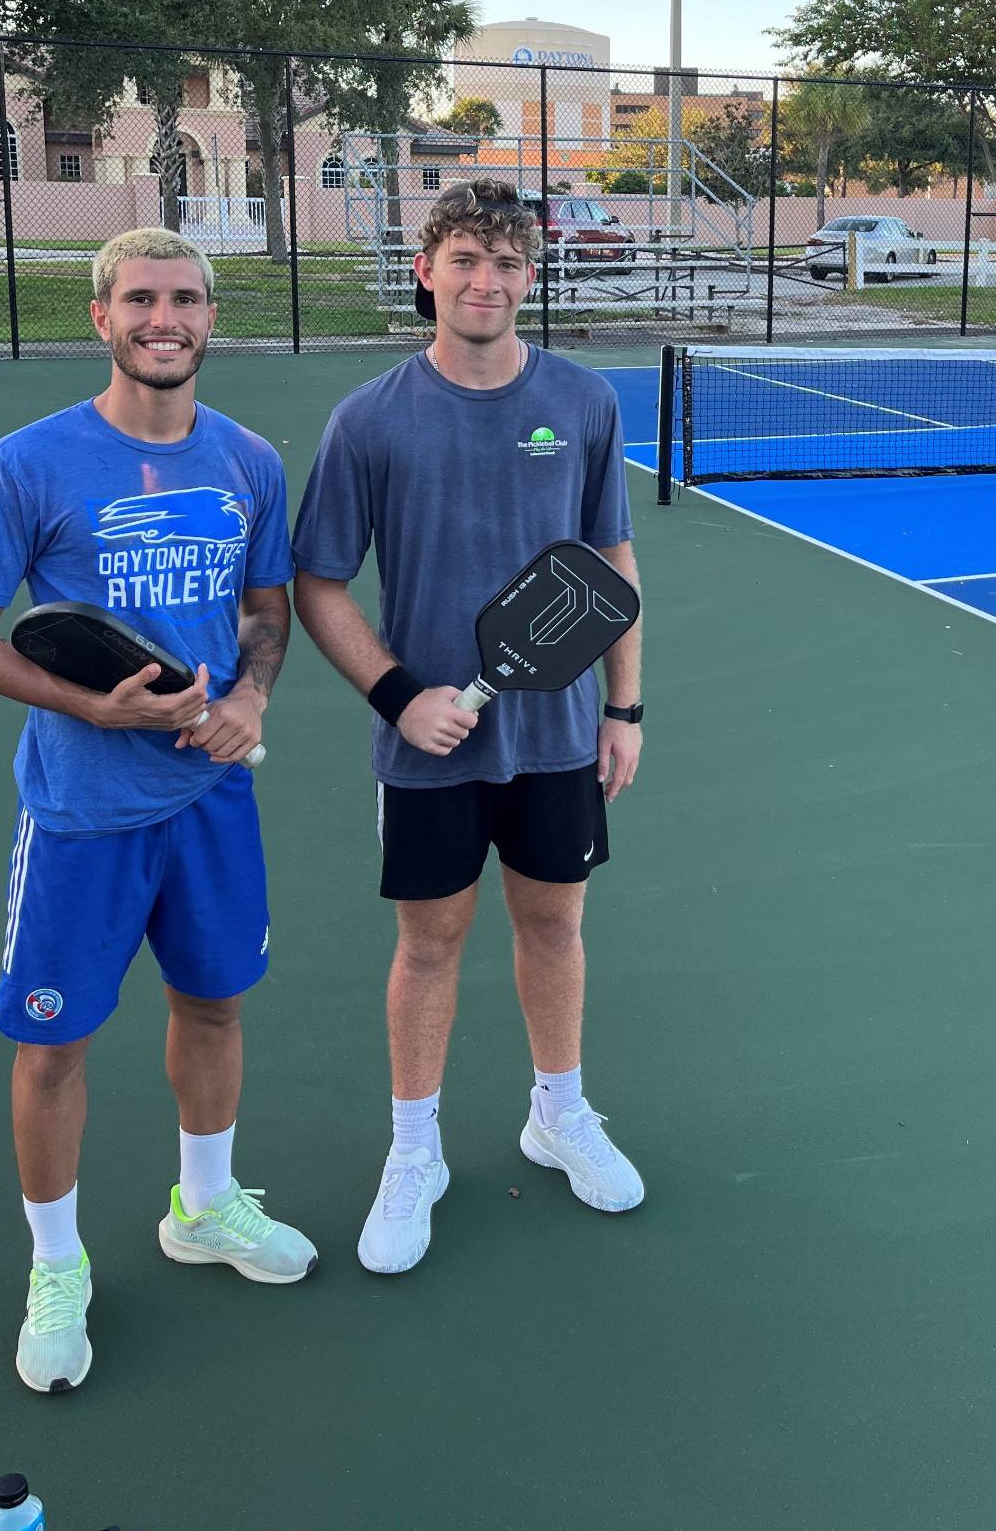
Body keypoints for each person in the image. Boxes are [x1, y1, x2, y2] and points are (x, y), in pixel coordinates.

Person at [0, 227, 315, 1395]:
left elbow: (267, 608)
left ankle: (203, 1207)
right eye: (141, 299)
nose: (166, 318)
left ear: (211, 319)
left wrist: (250, 692)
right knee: (52, 1046)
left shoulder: (249, 459)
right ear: (101, 319)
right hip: (79, 817)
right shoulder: (27, 463)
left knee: (213, 1009)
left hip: (212, 799)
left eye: (186, 299)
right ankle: (58, 1266)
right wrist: (88, 712)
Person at [292, 179, 644, 1275]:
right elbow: (319, 583)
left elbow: (611, 567)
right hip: (427, 748)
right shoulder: (370, 419)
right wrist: (403, 696)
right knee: (429, 945)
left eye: (507, 264)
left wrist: (624, 708)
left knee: (553, 927)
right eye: (465, 261)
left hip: (559, 738)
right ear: (426, 273)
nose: (485, 282)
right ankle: (415, 1152)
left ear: (531, 280)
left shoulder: (584, 401)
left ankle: (558, 1113)